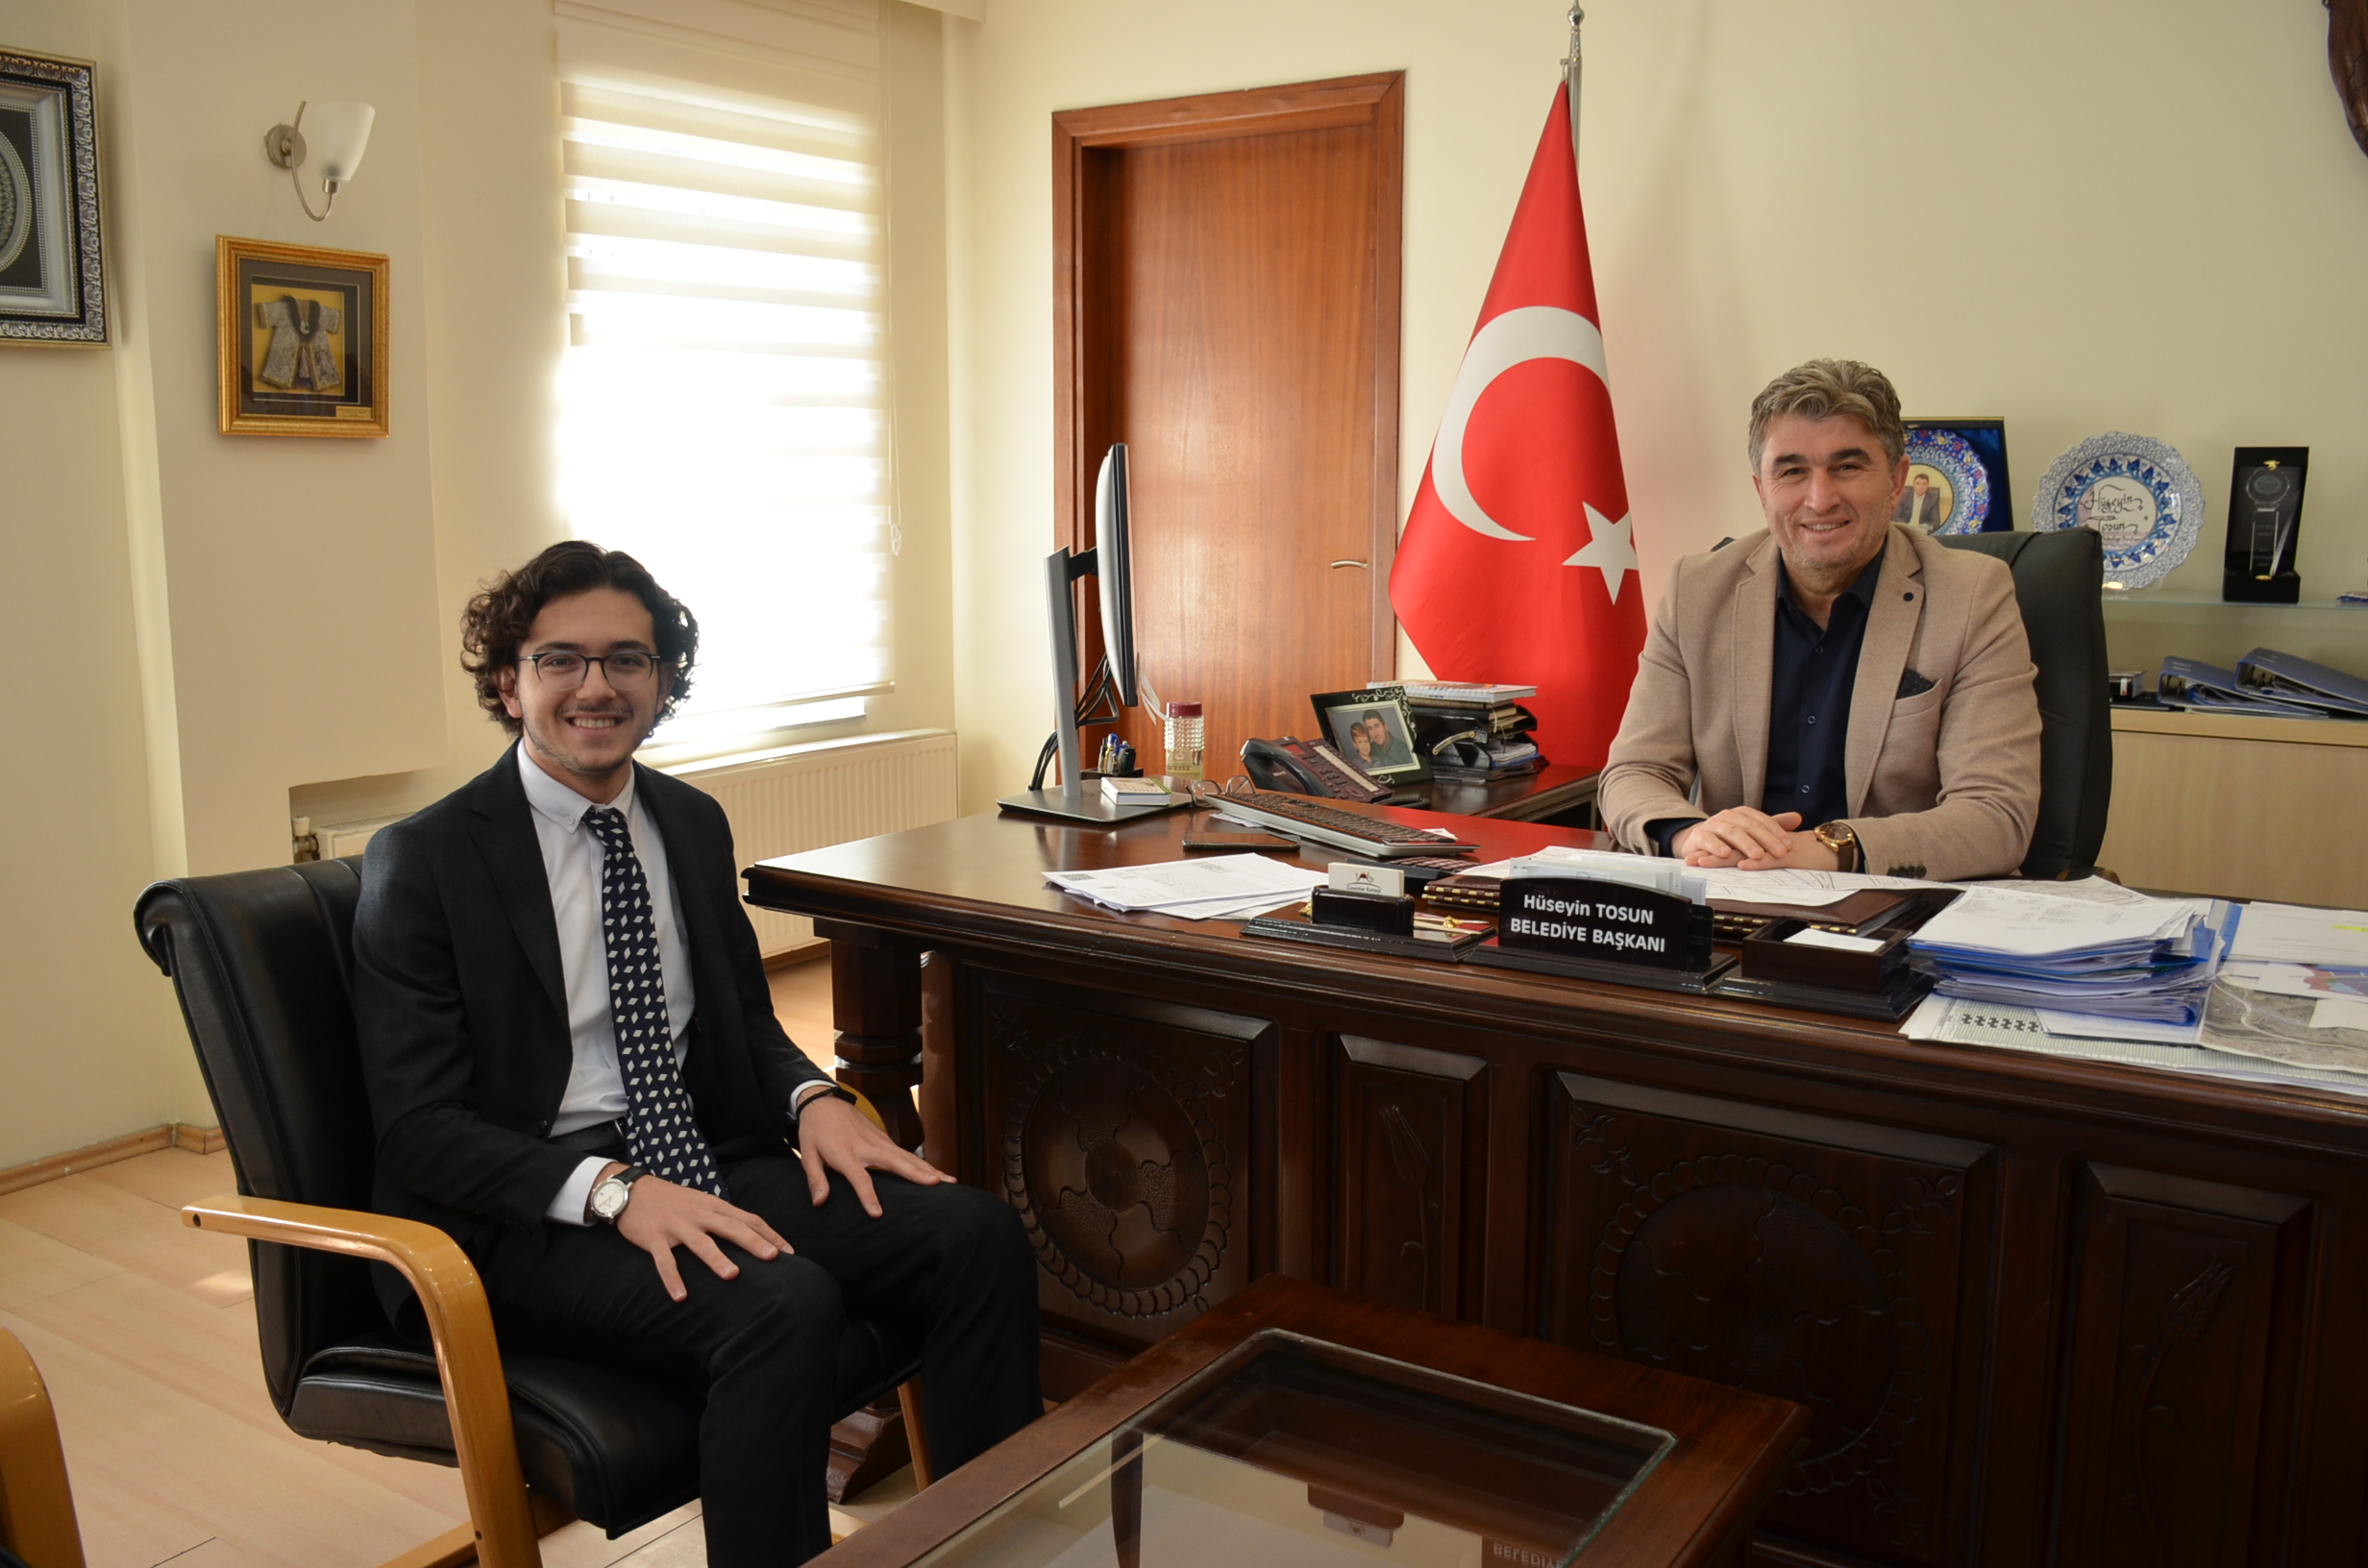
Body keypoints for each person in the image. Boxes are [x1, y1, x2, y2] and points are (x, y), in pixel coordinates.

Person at [352, 542, 1041, 1567]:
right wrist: (615, 1192)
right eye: (560, 660)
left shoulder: (686, 820)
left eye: (626, 659)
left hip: (697, 1154)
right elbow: (420, 1132)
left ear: (662, 680)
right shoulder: (426, 858)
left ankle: (996, 1548)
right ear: (508, 683)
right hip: (528, 1209)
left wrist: (811, 1098)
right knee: (781, 1304)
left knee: (972, 1232)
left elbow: (742, 1024)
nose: (596, 686)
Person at [1598, 359, 2040, 881]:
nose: (1820, 499)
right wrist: (1690, 834)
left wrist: (1822, 849)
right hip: (1735, 891)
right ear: (1762, 490)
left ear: (1896, 481)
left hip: (1893, 899)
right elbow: (1634, 771)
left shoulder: (1972, 595)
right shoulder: (1697, 590)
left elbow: (1996, 815)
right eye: (1792, 472)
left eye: (1847, 467)